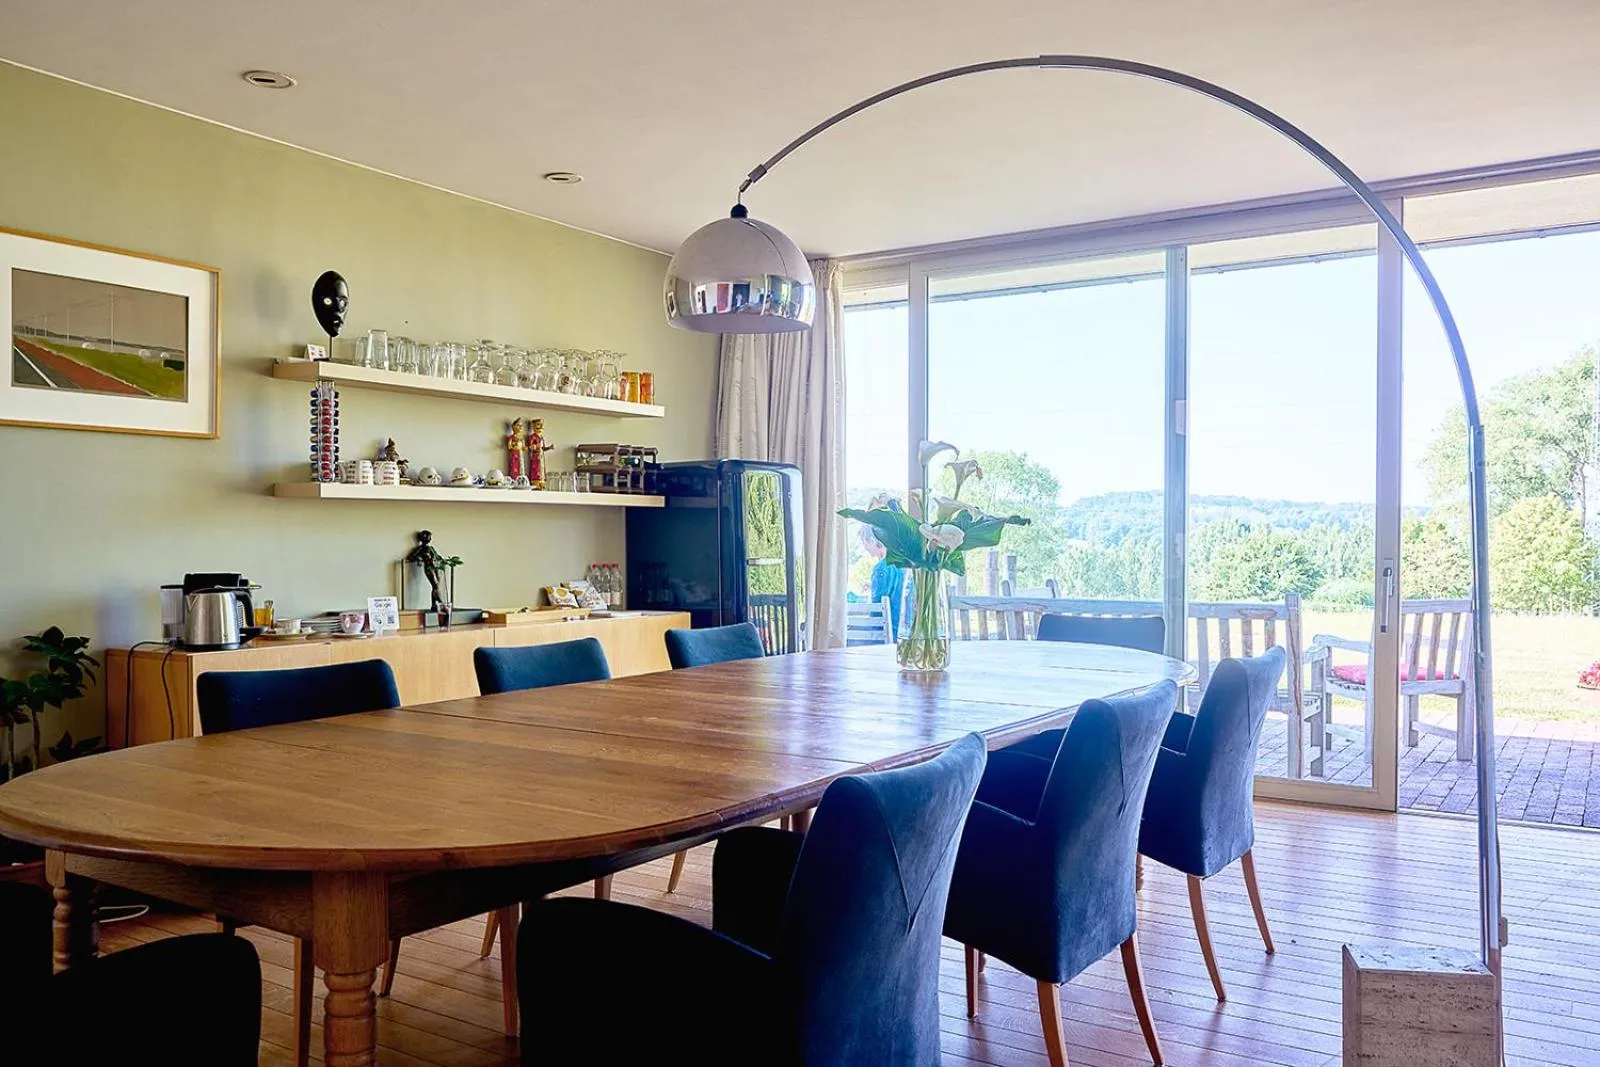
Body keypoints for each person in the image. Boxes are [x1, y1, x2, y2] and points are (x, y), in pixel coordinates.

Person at [861, 527, 905, 637]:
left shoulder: (880, 568)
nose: (865, 548)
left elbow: (877, 607)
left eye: (864, 542)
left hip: (885, 634)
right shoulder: (902, 565)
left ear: (871, 540)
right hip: (902, 630)